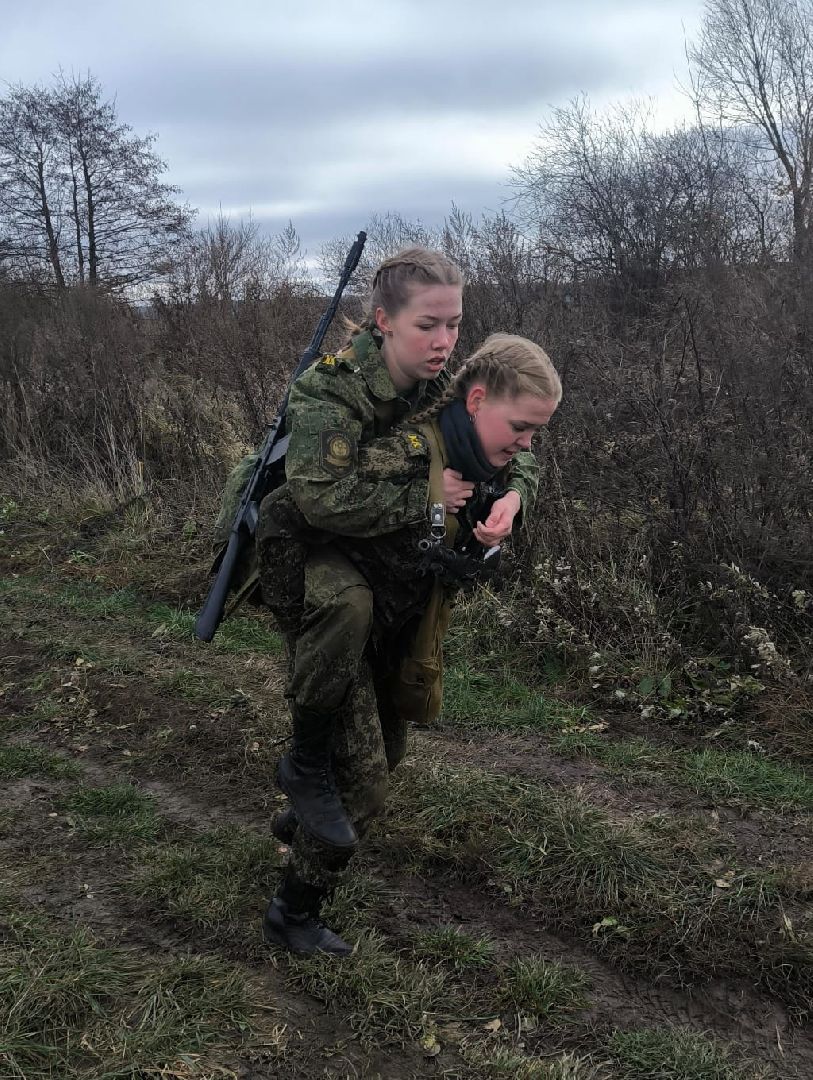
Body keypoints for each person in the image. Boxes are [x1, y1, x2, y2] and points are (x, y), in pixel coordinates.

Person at [256, 251, 557, 955]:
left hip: (390, 579)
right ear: (384, 321)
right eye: (429, 325)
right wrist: (425, 495)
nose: (445, 341)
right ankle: (293, 904)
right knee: (357, 759)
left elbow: (515, 440)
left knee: (382, 751)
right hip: (309, 558)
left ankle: (302, 808)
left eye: (454, 324)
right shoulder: (328, 394)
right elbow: (320, 499)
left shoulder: (446, 383)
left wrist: (513, 493)